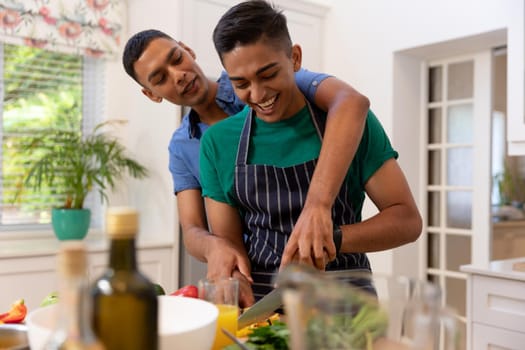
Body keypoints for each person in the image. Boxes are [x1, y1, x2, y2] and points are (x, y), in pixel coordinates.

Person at [122, 28, 371, 306]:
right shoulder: (183, 146)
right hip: (255, 277)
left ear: (188, 50)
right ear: (151, 94)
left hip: (331, 265)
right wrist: (216, 246)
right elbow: (192, 228)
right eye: (160, 78)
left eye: (176, 58)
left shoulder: (263, 78)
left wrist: (318, 207)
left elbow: (350, 102)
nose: (177, 74)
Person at [200, 0, 422, 302]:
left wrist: (334, 237)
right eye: (241, 84)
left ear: (294, 58)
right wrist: (233, 273)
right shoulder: (218, 142)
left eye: (268, 75)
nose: (258, 94)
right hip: (263, 304)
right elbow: (229, 242)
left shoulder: (350, 126)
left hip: (346, 305)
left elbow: (408, 221)